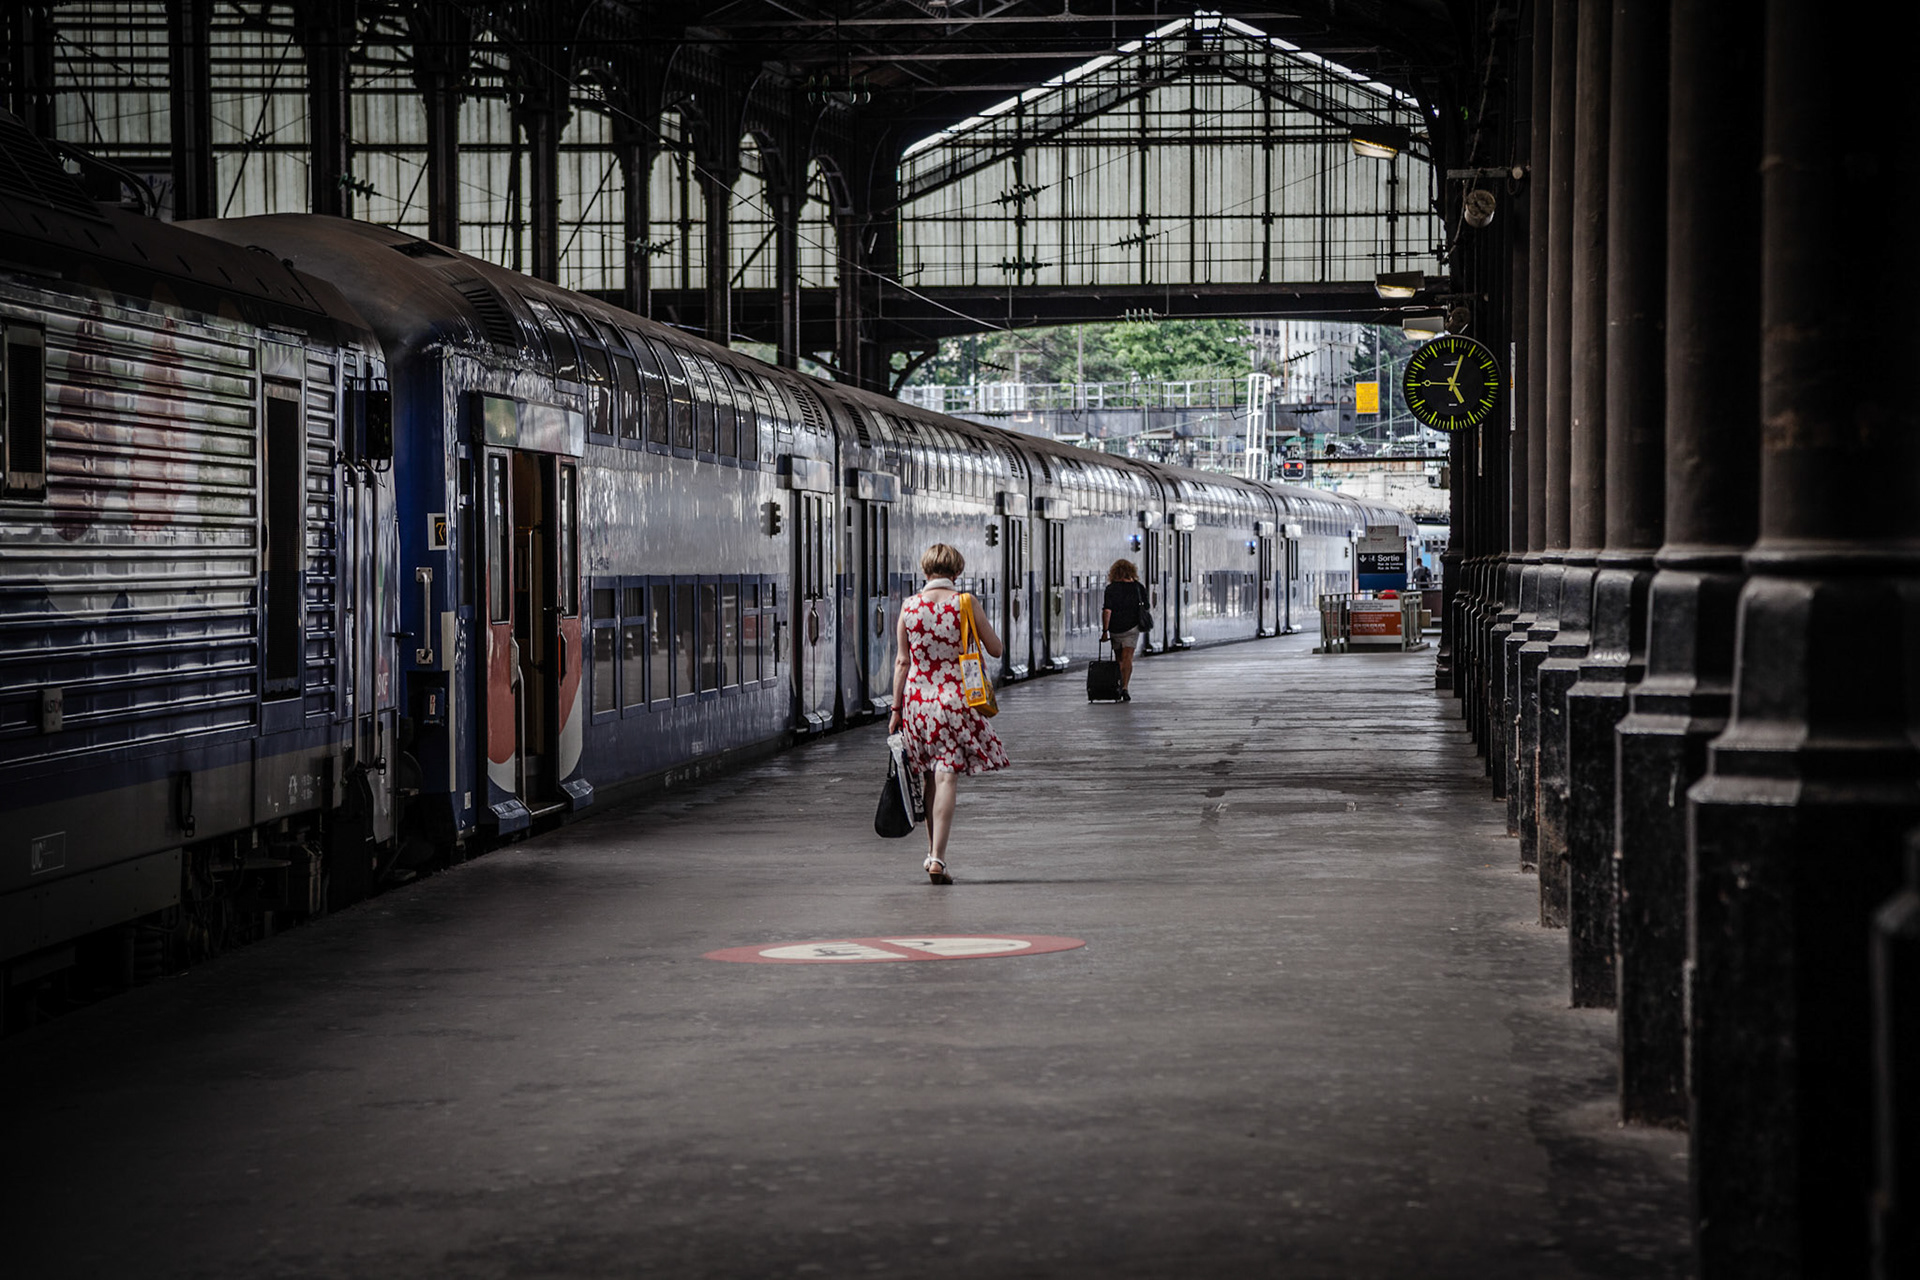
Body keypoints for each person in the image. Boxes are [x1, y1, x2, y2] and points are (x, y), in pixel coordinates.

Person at [888, 543, 1009, 884]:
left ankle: (931, 853)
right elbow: (996, 649)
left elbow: (902, 662)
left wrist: (896, 709)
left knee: (928, 776)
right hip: (954, 699)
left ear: (925, 571)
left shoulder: (909, 607)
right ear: (957, 572)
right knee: (946, 777)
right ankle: (938, 857)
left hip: (917, 702)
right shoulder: (964, 603)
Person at [1100, 558, 1149, 702]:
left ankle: (1119, 685)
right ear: (1131, 571)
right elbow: (1146, 606)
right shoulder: (1138, 587)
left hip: (1115, 628)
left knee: (1119, 658)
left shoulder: (1111, 589)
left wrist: (1105, 631)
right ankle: (1125, 687)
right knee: (1128, 657)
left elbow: (1107, 611)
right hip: (1132, 627)